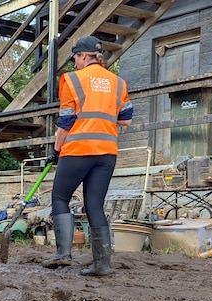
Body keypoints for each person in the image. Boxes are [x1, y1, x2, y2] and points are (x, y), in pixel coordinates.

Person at [43, 36, 133, 275]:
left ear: (83, 56)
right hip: (107, 153)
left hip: (78, 150)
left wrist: (56, 150)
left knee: (60, 197)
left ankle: (63, 254)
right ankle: (102, 265)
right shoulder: (118, 83)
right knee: (94, 205)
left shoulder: (72, 80)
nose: (75, 63)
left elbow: (65, 122)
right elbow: (126, 119)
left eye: (76, 58)